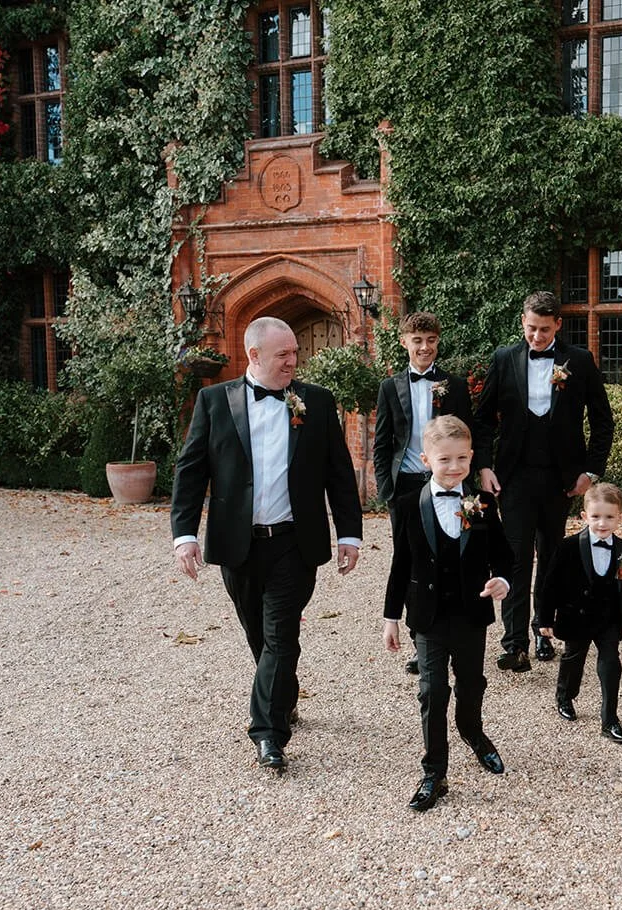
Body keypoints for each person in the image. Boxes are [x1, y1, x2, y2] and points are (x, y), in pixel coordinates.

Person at [171, 316, 363, 772]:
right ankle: (283, 697)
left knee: (281, 636)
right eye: (283, 355)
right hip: (237, 545)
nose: (293, 362)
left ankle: (267, 733)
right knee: (259, 637)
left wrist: (350, 533)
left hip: (295, 543)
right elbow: (191, 470)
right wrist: (184, 535)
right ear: (253, 356)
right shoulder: (214, 401)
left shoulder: (315, 402)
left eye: (295, 353)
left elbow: (338, 471)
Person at [471, 290, 614, 674]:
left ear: (559, 326)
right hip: (513, 477)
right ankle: (514, 643)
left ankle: (543, 630)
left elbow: (603, 421)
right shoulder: (504, 359)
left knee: (551, 558)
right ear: (523, 322)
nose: (537, 337)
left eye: (545, 330)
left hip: (561, 480)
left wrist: (590, 472)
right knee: (515, 558)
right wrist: (483, 466)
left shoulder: (579, 361)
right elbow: (483, 420)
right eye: (532, 329)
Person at [382, 415, 513, 811]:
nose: (454, 468)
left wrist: (502, 582)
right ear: (426, 460)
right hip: (428, 616)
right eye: (444, 460)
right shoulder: (406, 505)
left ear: (471, 457)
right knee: (432, 689)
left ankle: (472, 730)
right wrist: (391, 617)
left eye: (461, 459)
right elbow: (400, 565)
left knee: (472, 683)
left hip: (472, 612)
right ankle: (434, 770)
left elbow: (504, 556)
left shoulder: (483, 504)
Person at [372, 311, 473, 676]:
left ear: (437, 342)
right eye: (417, 341)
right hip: (406, 485)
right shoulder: (389, 388)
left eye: (430, 340)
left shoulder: (455, 386)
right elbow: (382, 443)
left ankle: (450, 633)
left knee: (447, 554)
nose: (425, 347)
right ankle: (421, 639)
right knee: (410, 558)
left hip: (445, 481)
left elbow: (467, 435)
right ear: (405, 342)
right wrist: (387, 490)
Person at [536, 481, 622, 746]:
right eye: (596, 517)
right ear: (584, 517)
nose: (602, 523)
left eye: (609, 517)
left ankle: (609, 719)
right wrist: (544, 620)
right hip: (575, 616)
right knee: (573, 659)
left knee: (611, 663)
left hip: (608, 618)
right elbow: (550, 585)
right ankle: (565, 696)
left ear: (620, 518)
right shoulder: (567, 546)